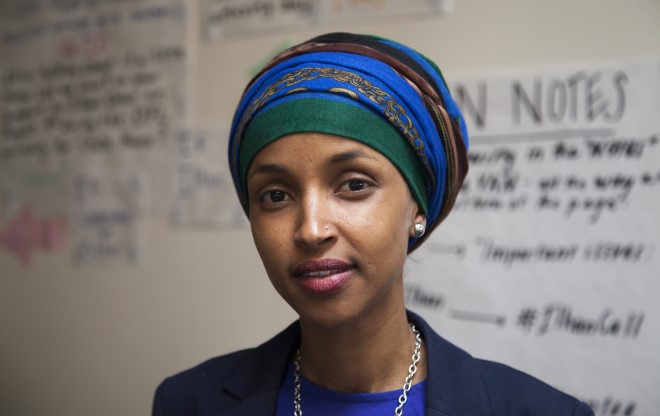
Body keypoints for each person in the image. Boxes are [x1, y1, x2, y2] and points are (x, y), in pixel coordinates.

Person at [152, 32, 594, 416]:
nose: (311, 229)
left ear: (417, 208)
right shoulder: (188, 403)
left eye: (354, 185)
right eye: (276, 195)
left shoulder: (541, 411)